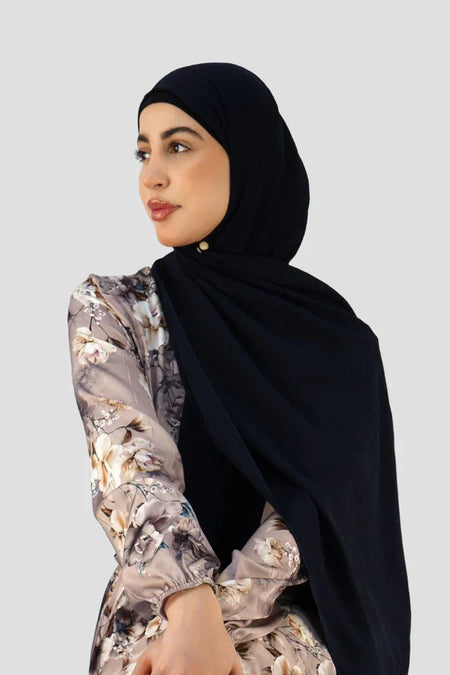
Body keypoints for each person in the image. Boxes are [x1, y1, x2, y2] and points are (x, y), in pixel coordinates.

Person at [67, 62, 410, 675]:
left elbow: (319, 515)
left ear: (247, 159)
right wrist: (186, 608)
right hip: (155, 626)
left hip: (295, 639)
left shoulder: (340, 343)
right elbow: (131, 470)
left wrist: (210, 622)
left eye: (178, 146)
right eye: (143, 152)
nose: (152, 175)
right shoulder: (116, 309)